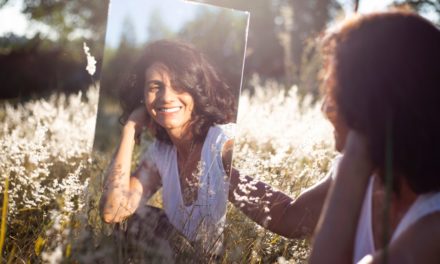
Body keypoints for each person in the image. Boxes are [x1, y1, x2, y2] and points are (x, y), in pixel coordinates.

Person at [309, 11, 440, 263]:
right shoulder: (376, 181)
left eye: (337, 93)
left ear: (373, 106)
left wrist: (356, 155)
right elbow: (287, 216)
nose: (326, 108)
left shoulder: (433, 228)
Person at [99, 39, 237, 256]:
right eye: (155, 87)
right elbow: (113, 211)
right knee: (133, 222)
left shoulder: (224, 142)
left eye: (179, 84)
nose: (166, 96)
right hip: (184, 257)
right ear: (143, 97)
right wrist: (130, 129)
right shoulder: (161, 153)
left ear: (197, 90)